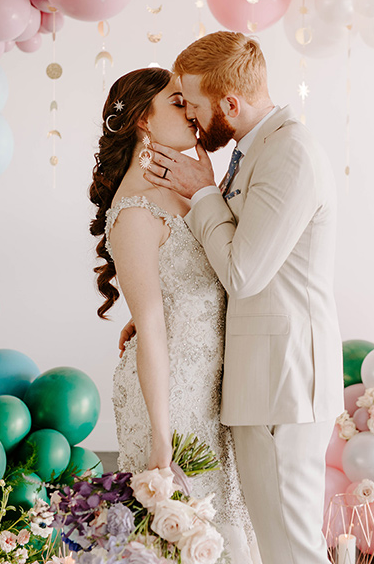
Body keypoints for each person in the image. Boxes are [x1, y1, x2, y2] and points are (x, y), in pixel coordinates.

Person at [133, 31, 345, 564]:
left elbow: (245, 272)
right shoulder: (257, 149)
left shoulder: (289, 152)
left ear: (230, 103)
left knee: (292, 550)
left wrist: (201, 191)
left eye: (195, 105)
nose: (192, 118)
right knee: (277, 544)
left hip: (284, 381)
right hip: (267, 378)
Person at [89, 67, 255, 563]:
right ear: (143, 118)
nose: (192, 112)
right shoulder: (135, 210)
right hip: (172, 397)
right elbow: (156, 328)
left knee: (230, 522)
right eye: (177, 103)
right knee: (187, 534)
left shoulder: (191, 191)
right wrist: (163, 438)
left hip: (217, 386)